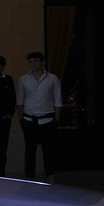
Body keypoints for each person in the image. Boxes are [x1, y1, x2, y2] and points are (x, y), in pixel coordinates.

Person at [16, 50, 62, 181]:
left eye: (36, 61)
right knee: (29, 151)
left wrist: (56, 119)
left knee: (49, 150)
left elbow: (58, 100)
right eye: (31, 62)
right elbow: (20, 101)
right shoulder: (23, 80)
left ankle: (50, 175)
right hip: (29, 120)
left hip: (47, 120)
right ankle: (29, 176)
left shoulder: (52, 79)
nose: (33, 64)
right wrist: (21, 119)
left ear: (42, 62)